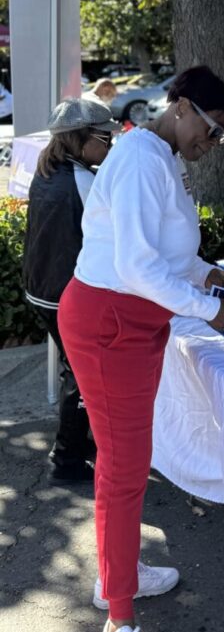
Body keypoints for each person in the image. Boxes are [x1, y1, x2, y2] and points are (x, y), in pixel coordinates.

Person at [58, 66, 224, 632]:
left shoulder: (162, 158)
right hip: (111, 322)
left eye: (220, 138)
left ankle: (118, 573)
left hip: (128, 320)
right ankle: (119, 614)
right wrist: (213, 311)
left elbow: (171, 255)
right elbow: (138, 267)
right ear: (181, 106)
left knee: (126, 459)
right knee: (123, 466)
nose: (210, 146)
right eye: (211, 131)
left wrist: (212, 277)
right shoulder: (141, 159)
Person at [23, 97, 117, 482]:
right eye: (104, 138)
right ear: (81, 138)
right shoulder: (84, 180)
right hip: (65, 295)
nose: (109, 145)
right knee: (81, 376)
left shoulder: (47, 170)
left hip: (40, 287)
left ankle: (77, 444)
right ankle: (67, 460)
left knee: (74, 370)